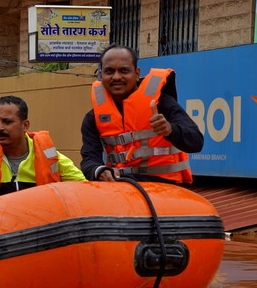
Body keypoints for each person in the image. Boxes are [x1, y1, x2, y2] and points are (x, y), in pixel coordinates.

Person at [79, 44, 203, 184]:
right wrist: (99, 170)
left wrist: (170, 130)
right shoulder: (93, 117)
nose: (117, 77)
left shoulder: (161, 104)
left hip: (165, 190)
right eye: (109, 71)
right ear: (101, 76)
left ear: (137, 74)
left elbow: (196, 142)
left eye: (124, 71)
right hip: (122, 190)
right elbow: (89, 159)